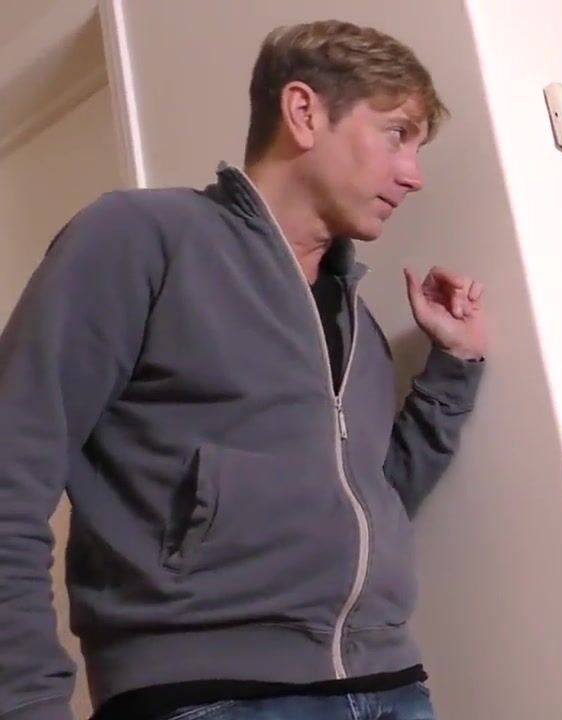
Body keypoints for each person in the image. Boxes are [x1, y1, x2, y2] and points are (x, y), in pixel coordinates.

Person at [0, 20, 485, 720]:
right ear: (304, 112)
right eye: (396, 134)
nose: (413, 174)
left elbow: (373, 500)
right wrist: (27, 702)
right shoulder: (140, 238)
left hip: (392, 687)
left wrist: (453, 368)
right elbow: (11, 466)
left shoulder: (358, 324)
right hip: (210, 696)